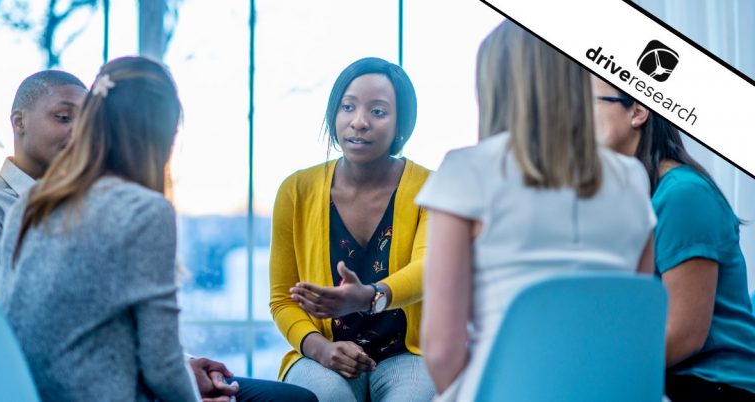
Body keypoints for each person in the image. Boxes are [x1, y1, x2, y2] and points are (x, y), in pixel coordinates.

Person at [0, 68, 314, 402]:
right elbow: (158, 364)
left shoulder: (31, 201)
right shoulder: (143, 209)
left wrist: (184, 368)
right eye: (62, 117)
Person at [415, 21, 656, 401]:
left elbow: (443, 349)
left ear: (495, 85)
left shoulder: (466, 170)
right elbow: (637, 318)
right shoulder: (633, 178)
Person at [269, 57, 436, 402]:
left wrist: (372, 295)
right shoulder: (296, 190)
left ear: (400, 122)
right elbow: (283, 299)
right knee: (326, 397)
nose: (358, 122)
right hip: (323, 351)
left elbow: (429, 268)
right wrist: (318, 349)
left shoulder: (431, 188)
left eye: (378, 111)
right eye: (348, 107)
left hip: (409, 354)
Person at [592, 77, 755, 401]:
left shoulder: (683, 194)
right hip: (671, 378)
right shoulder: (635, 198)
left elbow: (684, 334)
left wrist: (596, 376)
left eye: (591, 103)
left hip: (712, 384)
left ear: (638, 111)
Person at [0, 70, 86, 297]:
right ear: (20, 121)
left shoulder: (87, 206)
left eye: (87, 123)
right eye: (63, 117)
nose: (79, 132)